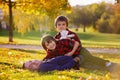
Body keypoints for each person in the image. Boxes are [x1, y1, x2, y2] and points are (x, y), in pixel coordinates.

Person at [53, 15, 118, 71]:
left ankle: (107, 63)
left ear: (66, 26)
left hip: (80, 51)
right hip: (74, 56)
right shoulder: (57, 38)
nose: (61, 26)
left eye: (63, 24)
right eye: (59, 24)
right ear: (56, 26)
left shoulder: (72, 34)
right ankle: (107, 68)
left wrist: (71, 52)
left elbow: (78, 43)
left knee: (91, 58)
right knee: (87, 65)